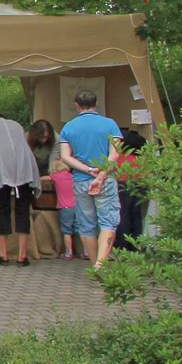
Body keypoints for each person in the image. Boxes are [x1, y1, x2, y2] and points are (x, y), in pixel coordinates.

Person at [59, 89, 122, 269]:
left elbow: (66, 157)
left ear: (76, 105)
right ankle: (101, 264)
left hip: (81, 180)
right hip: (106, 179)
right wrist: (101, 173)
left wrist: (88, 169)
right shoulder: (110, 124)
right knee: (108, 222)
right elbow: (115, 154)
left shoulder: (68, 127)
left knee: (86, 225)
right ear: (96, 104)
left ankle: (94, 264)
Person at [0, 111, 41, 265]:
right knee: (23, 210)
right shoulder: (16, 125)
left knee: (2, 210)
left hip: (0, 170)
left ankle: (3, 255)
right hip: (24, 169)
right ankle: (22, 256)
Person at [113, 128, 149, 251]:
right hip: (140, 184)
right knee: (136, 215)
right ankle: (136, 244)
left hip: (122, 184)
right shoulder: (139, 157)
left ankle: (122, 245)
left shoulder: (119, 157)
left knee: (123, 215)